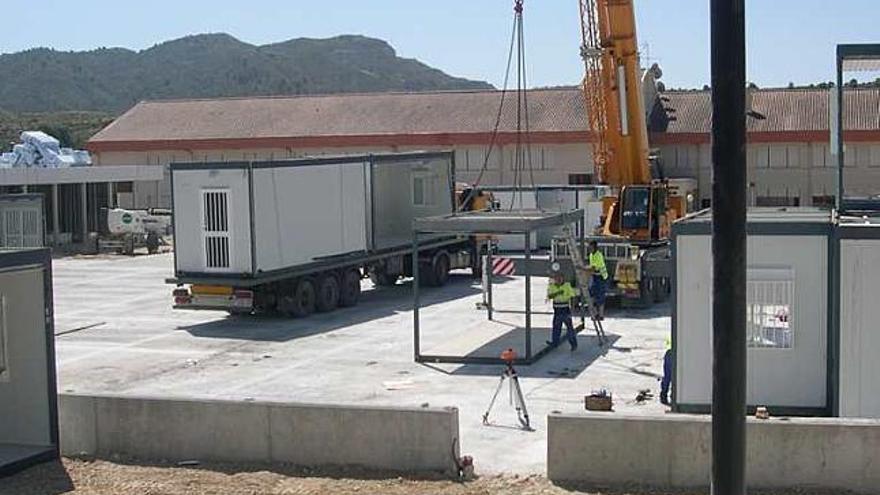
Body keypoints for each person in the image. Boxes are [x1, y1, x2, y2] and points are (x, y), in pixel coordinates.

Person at [545, 272, 578, 351]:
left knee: (569, 328)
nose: (558, 280)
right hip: (557, 310)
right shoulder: (552, 286)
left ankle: (573, 344)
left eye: (560, 278)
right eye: (556, 278)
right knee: (556, 327)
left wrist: (573, 308)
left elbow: (572, 296)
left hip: (565, 309)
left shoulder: (567, 286)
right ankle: (555, 343)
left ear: (563, 278)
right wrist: (558, 293)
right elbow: (549, 296)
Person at [587, 240, 608, 321]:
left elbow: (593, 267)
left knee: (600, 296)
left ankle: (601, 315)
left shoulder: (598, 255)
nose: (589, 248)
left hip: (601, 277)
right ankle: (595, 313)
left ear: (595, 247)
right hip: (595, 276)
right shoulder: (591, 255)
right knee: (592, 294)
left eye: (591, 247)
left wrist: (582, 268)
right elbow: (592, 268)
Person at [660, 336, 672, 405]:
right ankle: (673, 396)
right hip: (673, 353)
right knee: (673, 377)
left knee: (667, 376)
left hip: (669, 352)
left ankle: (663, 395)